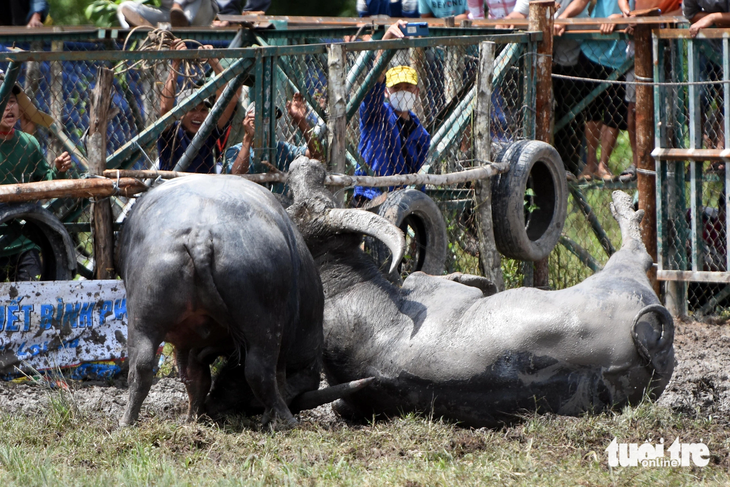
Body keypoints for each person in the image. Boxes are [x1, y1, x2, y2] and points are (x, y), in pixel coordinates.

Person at [506, 0, 589, 176]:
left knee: (571, 119)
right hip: (540, 63)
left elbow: (581, 2)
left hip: (575, 57)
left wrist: (562, 18)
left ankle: (567, 170)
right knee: (536, 115)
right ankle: (536, 172)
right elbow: (519, 12)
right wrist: (507, 21)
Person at [0, 81, 73, 281]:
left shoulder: (28, 143)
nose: (9, 107)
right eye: (3, 101)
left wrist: (58, 170)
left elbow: (44, 180)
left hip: (24, 238)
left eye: (13, 101)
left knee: (31, 299)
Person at [353, 22, 431, 207]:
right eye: (397, 88)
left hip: (401, 201)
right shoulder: (375, 114)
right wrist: (385, 44)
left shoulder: (421, 134)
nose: (403, 92)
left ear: (416, 92)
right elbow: (376, 79)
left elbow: (418, 176)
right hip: (370, 195)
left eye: (407, 88)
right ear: (386, 92)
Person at [556, 0, 633, 181]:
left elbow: (633, 8)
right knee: (592, 111)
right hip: (593, 50)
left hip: (621, 55)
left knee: (615, 113)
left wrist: (621, 16)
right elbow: (581, 1)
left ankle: (602, 165)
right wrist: (563, 18)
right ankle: (590, 163)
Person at [157, 40, 239, 173]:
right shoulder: (172, 133)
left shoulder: (209, 131)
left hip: (204, 190)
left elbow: (231, 99)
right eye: (192, 109)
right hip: (174, 189)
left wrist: (213, 60)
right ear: (181, 113)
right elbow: (165, 109)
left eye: (203, 110)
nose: (198, 115)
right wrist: (176, 63)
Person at [222, 94, 323, 194]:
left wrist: (300, 120)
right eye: (261, 119)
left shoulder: (283, 148)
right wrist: (248, 137)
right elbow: (236, 178)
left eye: (271, 119)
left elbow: (316, 155)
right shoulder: (235, 151)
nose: (267, 123)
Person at [117, 0, 219, 28]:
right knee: (126, 6)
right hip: (170, 16)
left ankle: (183, 21)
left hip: (200, 12)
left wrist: (177, 4)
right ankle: (141, 27)